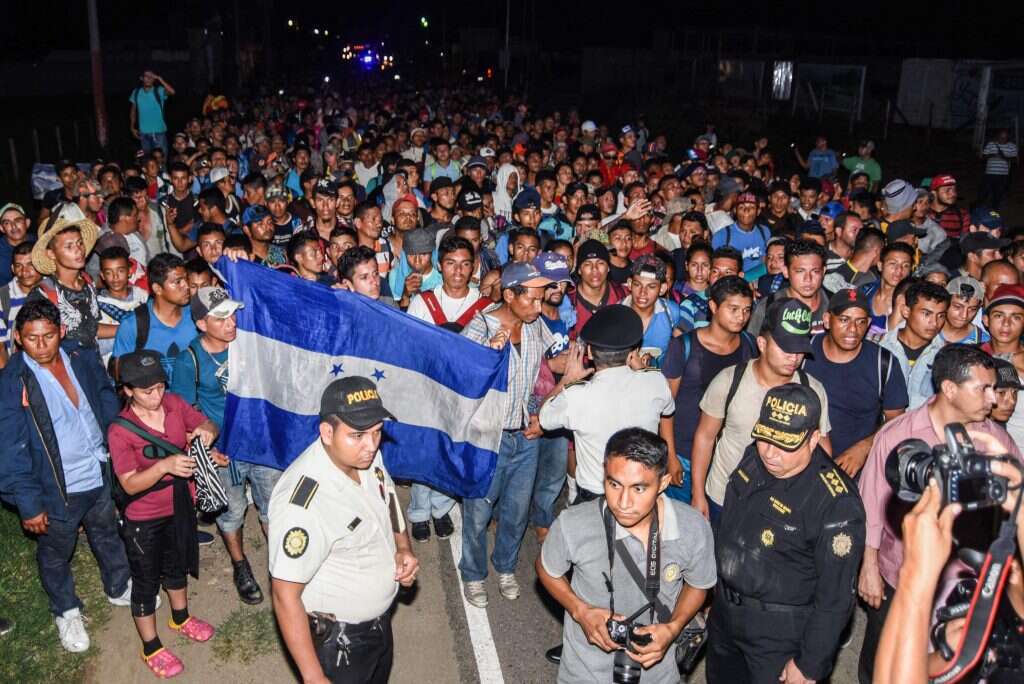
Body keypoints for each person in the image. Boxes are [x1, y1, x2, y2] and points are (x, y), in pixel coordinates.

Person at [856, 344, 1022, 684]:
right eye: (984, 388)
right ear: (949, 389)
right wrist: (868, 567)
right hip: (899, 574)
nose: (994, 399)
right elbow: (871, 503)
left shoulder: (997, 442)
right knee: (884, 658)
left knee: (957, 661)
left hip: (970, 582)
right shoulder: (899, 435)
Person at [707, 383, 865, 684]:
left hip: (779, 633)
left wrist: (809, 663)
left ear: (813, 439)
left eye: (785, 445)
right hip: (726, 615)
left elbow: (835, 598)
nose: (770, 453)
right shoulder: (754, 456)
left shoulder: (835, 503)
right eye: (766, 438)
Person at [0, 299, 132, 653]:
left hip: (98, 468)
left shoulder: (80, 356)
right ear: (17, 338)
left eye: (47, 336)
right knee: (56, 551)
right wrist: (28, 503)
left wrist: (117, 444)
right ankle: (66, 610)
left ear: (60, 332)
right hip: (57, 486)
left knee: (106, 530)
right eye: (31, 338)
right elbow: (8, 450)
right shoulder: (12, 383)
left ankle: (119, 586)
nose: (41, 345)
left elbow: (105, 396)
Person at [536, 427, 716, 684]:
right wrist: (580, 611)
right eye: (614, 484)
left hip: (659, 675)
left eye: (639, 489)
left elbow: (699, 584)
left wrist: (673, 627)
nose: (623, 501)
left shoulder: (693, 527)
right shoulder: (573, 523)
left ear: (663, 483)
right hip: (585, 674)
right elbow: (546, 567)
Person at [108, 350, 223, 677]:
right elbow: (129, 485)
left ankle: (181, 617)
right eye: (146, 391)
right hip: (144, 516)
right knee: (145, 581)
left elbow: (204, 422)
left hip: (179, 507)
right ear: (127, 390)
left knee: (177, 565)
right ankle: (151, 646)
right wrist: (164, 467)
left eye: (159, 386)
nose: (156, 396)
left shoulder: (172, 403)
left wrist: (207, 433)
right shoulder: (120, 431)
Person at [460, 261, 566, 607]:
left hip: (526, 436)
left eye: (541, 299)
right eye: (532, 299)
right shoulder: (479, 327)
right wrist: (485, 355)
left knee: (517, 511)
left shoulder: (535, 325)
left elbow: (553, 365)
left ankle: (505, 566)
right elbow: (459, 378)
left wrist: (595, 360)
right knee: (478, 511)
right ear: (509, 294)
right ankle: (474, 574)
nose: (540, 306)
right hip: (487, 439)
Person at [170, 287, 278, 605]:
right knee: (231, 512)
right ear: (202, 324)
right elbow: (183, 415)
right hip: (224, 452)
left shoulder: (248, 345)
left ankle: (280, 566)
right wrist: (205, 451)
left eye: (233, 314)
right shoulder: (189, 360)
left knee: (272, 504)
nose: (231, 322)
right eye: (221, 318)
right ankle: (240, 564)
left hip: (260, 443)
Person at [690, 298, 832, 522]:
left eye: (799, 349)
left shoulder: (812, 389)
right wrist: (698, 494)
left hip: (782, 503)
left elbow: (822, 446)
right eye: (785, 348)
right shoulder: (729, 381)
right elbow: (705, 438)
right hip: (724, 496)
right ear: (762, 344)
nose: (794, 357)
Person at [540, 305, 677, 502]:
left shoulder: (576, 397)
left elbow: (543, 418)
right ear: (633, 353)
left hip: (594, 498)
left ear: (589, 352)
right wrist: (641, 369)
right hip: (641, 496)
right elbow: (667, 409)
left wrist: (566, 380)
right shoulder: (656, 383)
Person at [662, 275, 757, 503]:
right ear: (713, 306)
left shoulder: (750, 344)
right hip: (684, 450)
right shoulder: (683, 346)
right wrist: (670, 456)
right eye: (733, 309)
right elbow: (665, 406)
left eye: (746, 310)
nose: (741, 316)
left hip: (728, 454)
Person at [803, 289, 908, 477]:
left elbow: (897, 421)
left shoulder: (883, 362)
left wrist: (865, 447)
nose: (853, 329)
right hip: (805, 467)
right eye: (844, 320)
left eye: (860, 322)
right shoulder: (803, 354)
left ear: (868, 324)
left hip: (858, 473)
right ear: (827, 320)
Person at [28, 217, 113, 349]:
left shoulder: (87, 281)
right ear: (51, 253)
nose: (78, 250)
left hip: (94, 364)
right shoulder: (43, 293)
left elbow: (91, 328)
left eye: (80, 243)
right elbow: (38, 345)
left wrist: (125, 329)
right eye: (69, 246)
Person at [112, 253, 197, 379]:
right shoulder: (133, 325)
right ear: (158, 289)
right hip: (156, 398)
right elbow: (119, 373)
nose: (186, 286)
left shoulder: (196, 315)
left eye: (186, 279)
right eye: (178, 282)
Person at [879, 279, 950, 408]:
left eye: (940, 316)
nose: (934, 323)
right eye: (926, 314)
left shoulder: (947, 356)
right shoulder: (879, 348)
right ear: (906, 311)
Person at [747, 239, 830, 336]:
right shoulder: (768, 306)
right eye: (800, 271)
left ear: (823, 271)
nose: (808, 278)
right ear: (786, 271)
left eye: (815, 271)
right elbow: (751, 346)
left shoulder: (834, 305)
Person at [623, 255, 680, 367]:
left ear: (662, 289)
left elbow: (678, 360)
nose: (643, 292)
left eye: (651, 286)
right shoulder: (615, 315)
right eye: (637, 284)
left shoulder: (672, 313)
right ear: (629, 284)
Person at [711, 192, 770, 282]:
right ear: (735, 210)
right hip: (732, 283)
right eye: (741, 207)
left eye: (751, 207)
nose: (746, 211)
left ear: (758, 211)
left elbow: (767, 261)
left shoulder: (764, 231)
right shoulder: (722, 236)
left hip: (761, 281)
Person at [938, 274, 987, 344]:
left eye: (972, 309)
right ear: (945, 302)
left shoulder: (983, 342)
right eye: (957, 307)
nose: (964, 315)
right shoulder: (927, 329)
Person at [979, 128, 1018, 210]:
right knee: (984, 192)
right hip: (989, 173)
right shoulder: (991, 144)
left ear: (1008, 137)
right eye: (1001, 137)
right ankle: (981, 209)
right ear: (997, 136)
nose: (1002, 139)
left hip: (1003, 174)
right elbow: (982, 157)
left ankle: (994, 210)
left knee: (998, 193)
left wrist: (1004, 157)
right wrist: (992, 155)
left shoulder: (1012, 146)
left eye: (1004, 138)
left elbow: (1015, 160)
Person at [0, 202, 33, 287]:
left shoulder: (40, 243)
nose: (13, 226)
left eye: (18, 220)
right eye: (7, 223)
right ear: (1, 228)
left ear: (27, 223)